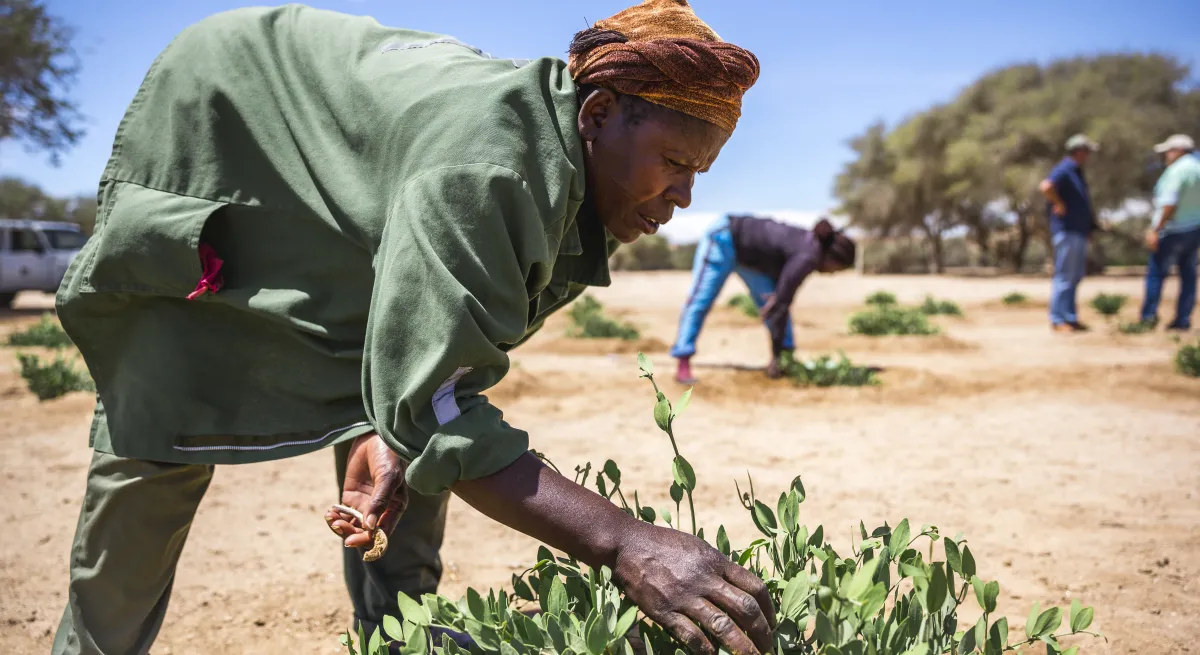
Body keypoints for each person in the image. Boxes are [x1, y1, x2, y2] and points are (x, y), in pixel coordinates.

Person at [50, 2, 774, 654]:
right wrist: (625, 542)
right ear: (597, 113)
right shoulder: (487, 169)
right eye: (675, 163)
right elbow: (435, 404)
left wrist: (399, 416)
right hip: (224, 125)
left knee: (419, 422)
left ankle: (394, 638)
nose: (683, 196)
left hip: (352, 211)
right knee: (162, 431)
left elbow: (444, 370)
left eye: (700, 173)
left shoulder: (601, 184)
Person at [670, 215, 857, 384]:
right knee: (700, 300)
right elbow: (783, 304)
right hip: (724, 238)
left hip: (751, 261)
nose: (831, 274)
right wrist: (776, 355)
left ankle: (787, 358)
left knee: (771, 303)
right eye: (836, 270)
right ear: (833, 258)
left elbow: (779, 301)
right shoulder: (808, 256)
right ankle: (683, 361)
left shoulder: (809, 249)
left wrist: (779, 356)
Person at [1039, 134, 1100, 333]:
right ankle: (1058, 319)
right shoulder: (1065, 168)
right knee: (1065, 276)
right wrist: (1059, 203)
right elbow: (1046, 186)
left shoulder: (1076, 172)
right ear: (1079, 151)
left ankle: (1070, 317)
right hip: (1067, 231)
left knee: (1075, 276)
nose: (1089, 156)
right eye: (1087, 152)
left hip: (1078, 231)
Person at [1140, 134, 1200, 331]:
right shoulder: (1197, 169)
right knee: (1189, 275)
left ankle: (1148, 318)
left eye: (1169, 151)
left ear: (1179, 150)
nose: (1166, 155)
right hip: (1194, 230)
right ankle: (1183, 319)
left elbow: (1169, 203)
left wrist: (1156, 229)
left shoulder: (1176, 171)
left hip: (1172, 231)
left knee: (1156, 274)